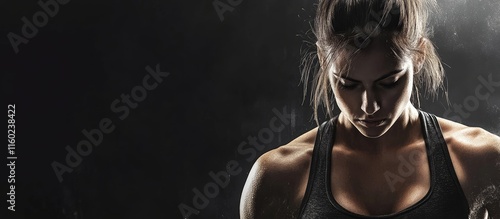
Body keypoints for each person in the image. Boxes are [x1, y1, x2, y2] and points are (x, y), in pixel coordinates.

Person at [239, 0, 500, 218]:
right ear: (322, 58)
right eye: (348, 84)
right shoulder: (278, 176)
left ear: (418, 56)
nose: (369, 106)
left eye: (389, 83)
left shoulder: (482, 159)